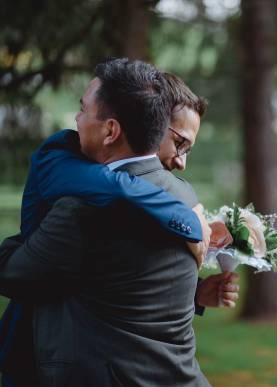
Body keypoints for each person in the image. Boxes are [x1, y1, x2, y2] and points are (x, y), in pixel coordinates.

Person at [0, 58, 215, 386]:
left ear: (111, 129)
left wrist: (19, 242)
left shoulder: (81, 209)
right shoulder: (184, 195)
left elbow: (15, 277)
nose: (77, 117)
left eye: (84, 108)